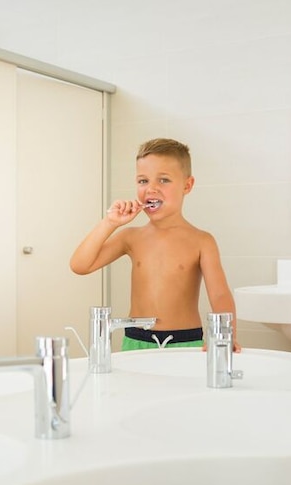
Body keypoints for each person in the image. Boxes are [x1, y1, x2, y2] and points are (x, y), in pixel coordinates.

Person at [70, 138, 240, 351]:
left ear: (187, 185)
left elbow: (220, 294)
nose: (151, 188)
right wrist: (110, 222)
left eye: (164, 180)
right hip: (136, 340)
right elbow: (80, 265)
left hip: (185, 342)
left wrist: (226, 335)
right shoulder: (131, 237)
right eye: (143, 181)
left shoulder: (202, 241)